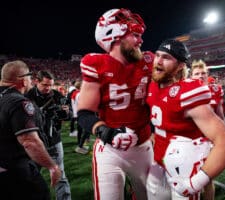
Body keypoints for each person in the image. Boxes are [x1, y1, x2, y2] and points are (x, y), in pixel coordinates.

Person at [77, 8, 154, 200]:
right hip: (109, 150)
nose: (140, 40)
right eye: (135, 34)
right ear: (115, 36)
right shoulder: (96, 64)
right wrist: (107, 133)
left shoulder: (149, 62)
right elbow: (85, 113)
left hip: (144, 147)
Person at [146, 39, 225, 200]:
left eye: (166, 57)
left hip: (184, 169)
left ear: (181, 65)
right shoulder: (152, 85)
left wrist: (195, 182)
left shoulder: (186, 92)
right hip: (157, 163)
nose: (158, 61)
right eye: (157, 55)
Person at [0, 60, 61, 200]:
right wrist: (52, 167)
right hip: (15, 172)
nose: (30, 80)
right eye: (29, 76)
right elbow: (29, 141)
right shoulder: (19, 102)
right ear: (22, 80)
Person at [25, 70, 72, 200]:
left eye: (50, 85)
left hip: (54, 141)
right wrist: (41, 114)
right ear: (36, 82)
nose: (48, 88)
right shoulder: (27, 96)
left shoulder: (57, 95)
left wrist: (65, 114)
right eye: (45, 85)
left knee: (60, 176)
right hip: (35, 142)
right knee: (31, 177)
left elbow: (69, 114)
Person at [190, 59, 225, 200]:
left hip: (209, 139)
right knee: (191, 176)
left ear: (207, 74)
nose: (200, 76)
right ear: (191, 76)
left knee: (208, 177)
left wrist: (224, 135)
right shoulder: (185, 90)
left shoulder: (215, 90)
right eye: (197, 73)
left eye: (203, 73)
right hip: (191, 139)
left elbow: (220, 115)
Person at [72, 80, 90, 154]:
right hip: (82, 114)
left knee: (82, 130)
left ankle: (80, 145)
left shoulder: (75, 93)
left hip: (78, 113)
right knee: (86, 130)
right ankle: (80, 146)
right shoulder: (79, 94)